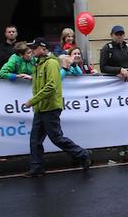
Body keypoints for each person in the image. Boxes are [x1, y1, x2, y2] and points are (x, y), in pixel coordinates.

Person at [23, 38, 90, 177]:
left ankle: (82, 154)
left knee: (56, 138)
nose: (32, 50)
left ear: (43, 49)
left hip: (50, 107)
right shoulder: (38, 64)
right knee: (35, 139)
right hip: (41, 108)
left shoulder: (51, 63)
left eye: (35, 48)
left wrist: (32, 101)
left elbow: (51, 86)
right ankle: (37, 168)